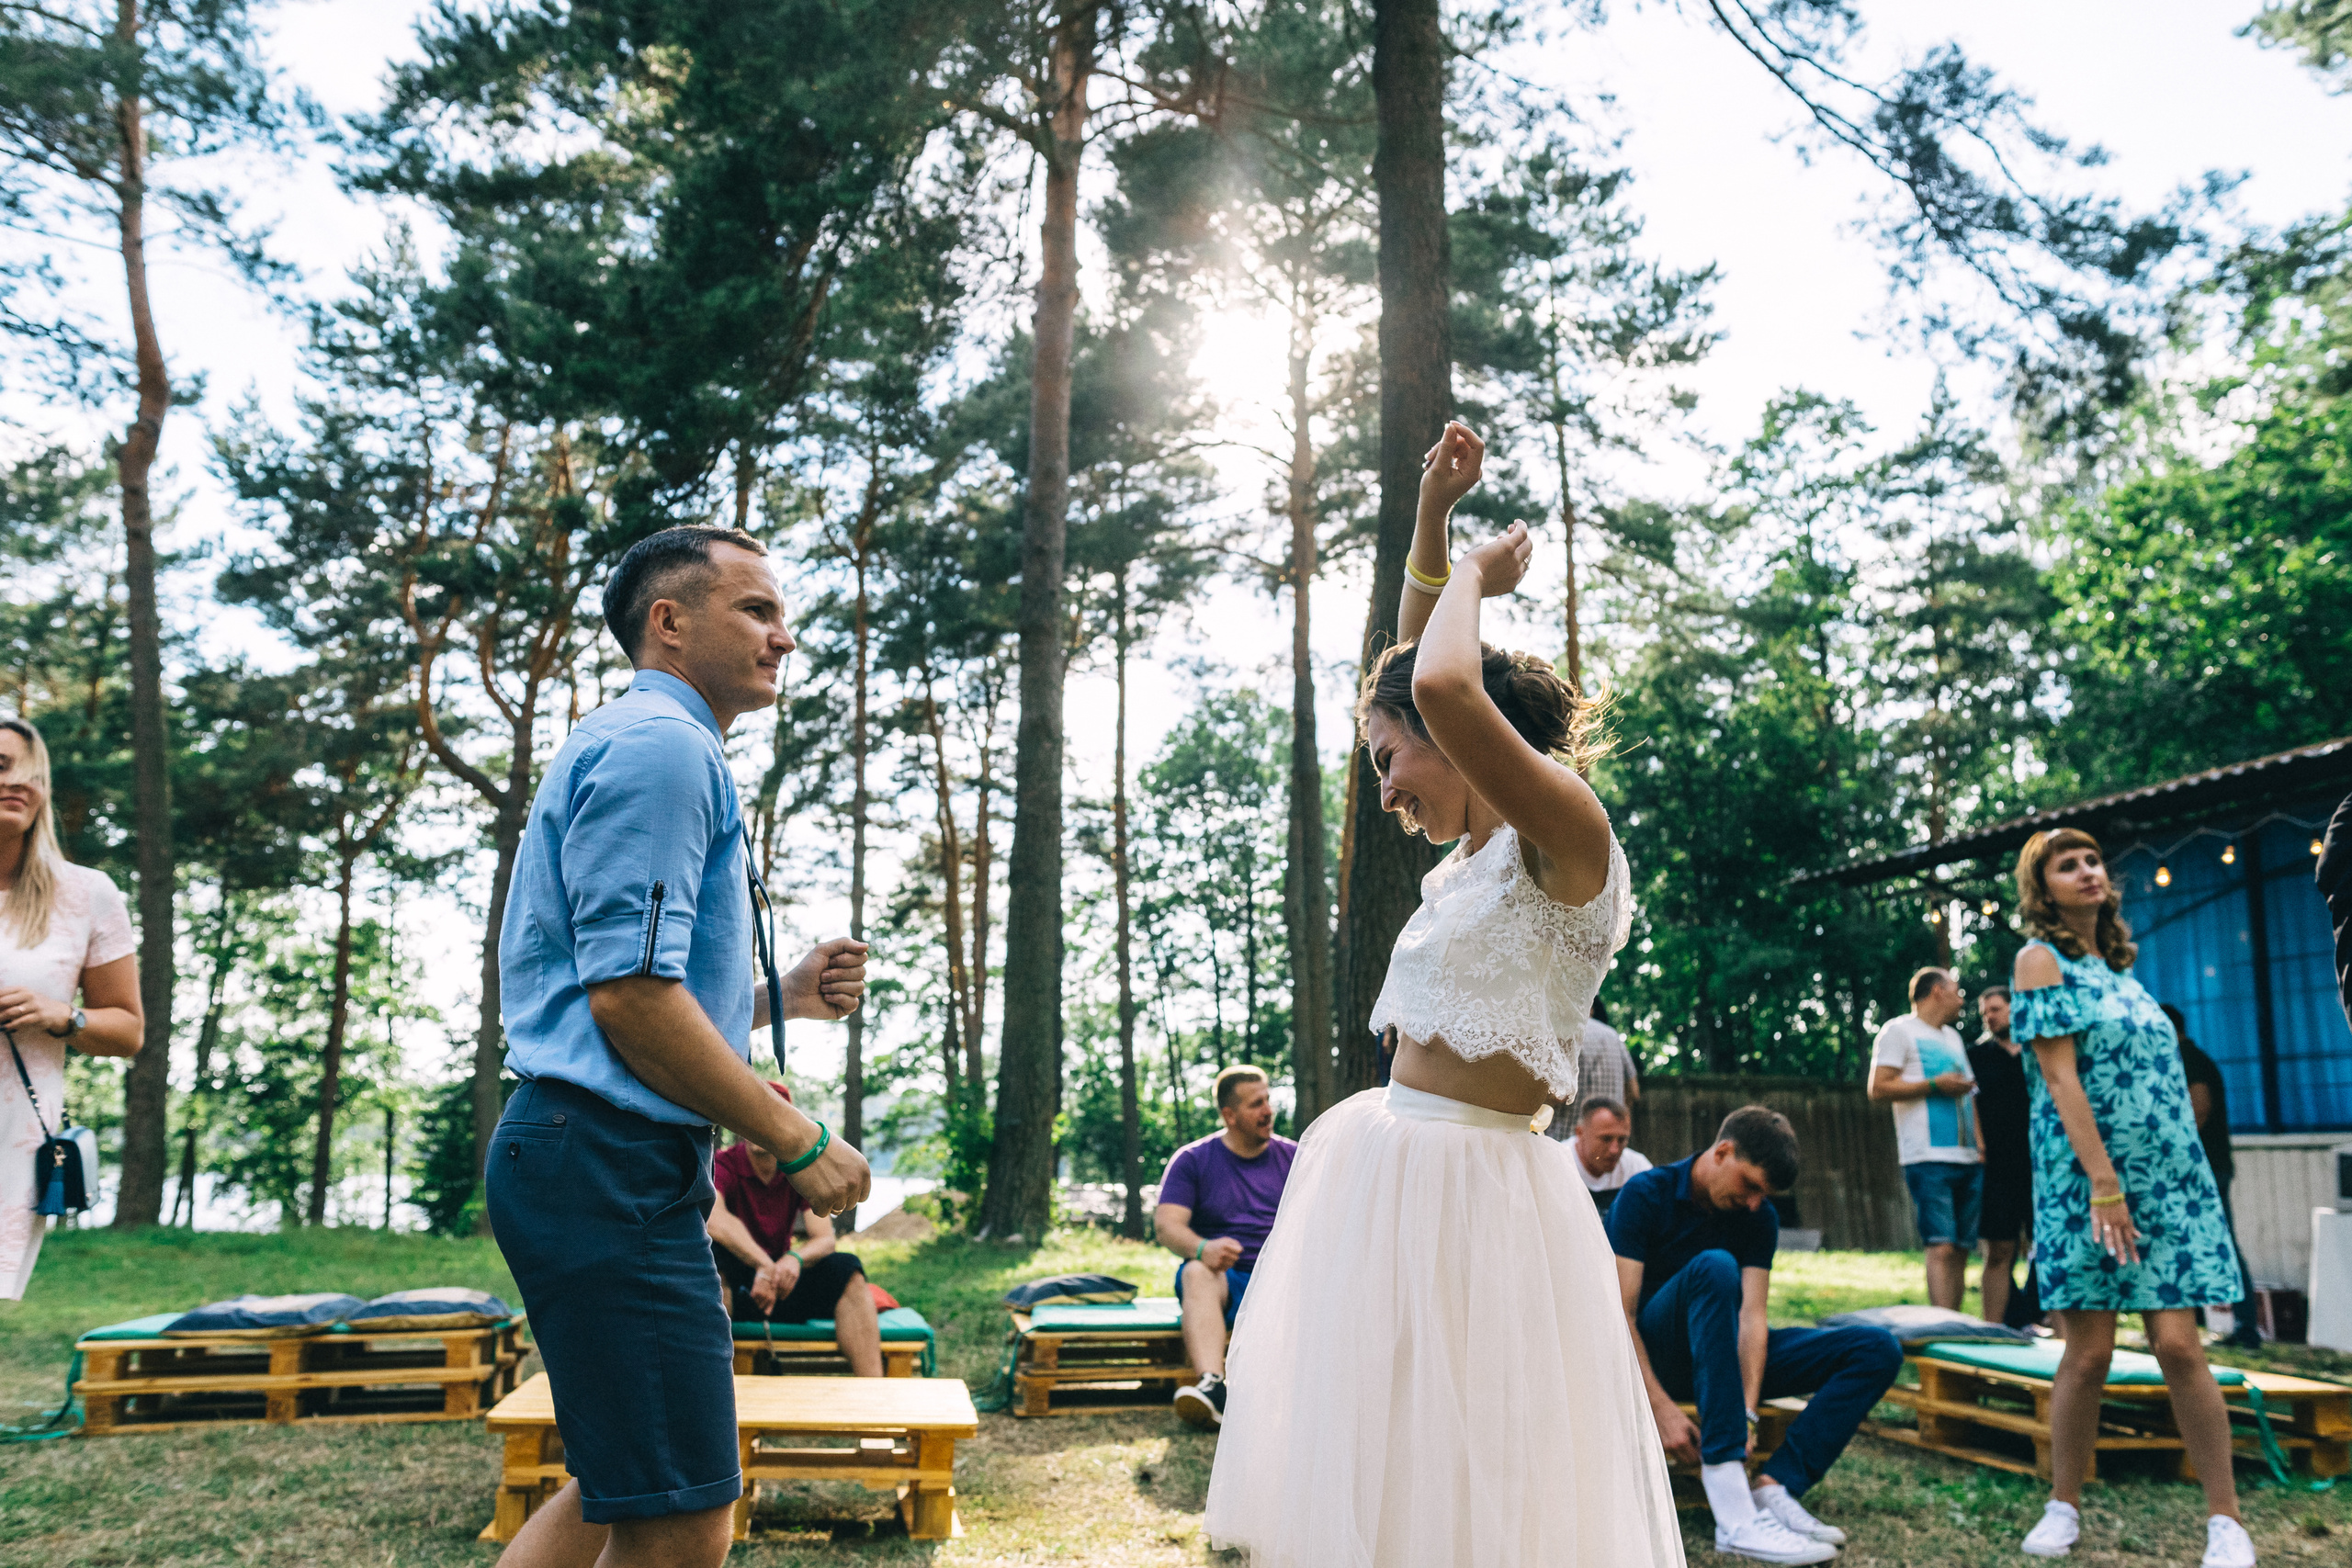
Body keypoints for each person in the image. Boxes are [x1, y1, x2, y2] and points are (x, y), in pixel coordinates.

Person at [1203, 423, 1683, 1567]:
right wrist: (1430, 525)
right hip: (1387, 1170)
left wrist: (1473, 571)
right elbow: (1413, 677)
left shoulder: (1568, 836)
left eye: (1387, 760)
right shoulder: (1465, 858)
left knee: (1483, 1446)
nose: (1382, 788)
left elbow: (1439, 682)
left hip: (1487, 1189)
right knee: (1385, 1433)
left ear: (1465, 746)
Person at [486, 525, 875, 1568]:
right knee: (689, 1513)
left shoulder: (647, 743)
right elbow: (628, 1003)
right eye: (756, 610)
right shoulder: (663, 749)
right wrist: (796, 1139)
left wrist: (774, 996)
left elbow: (620, 993)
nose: (784, 638)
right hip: (603, 1160)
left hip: (598, 1156)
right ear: (668, 621)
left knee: (627, 1486)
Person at [2008, 829, 2254, 1567]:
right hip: (2088, 1184)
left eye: (2092, 861)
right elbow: (2060, 1080)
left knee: (2180, 1345)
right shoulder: (2038, 960)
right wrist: (2105, 1184)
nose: (2087, 872)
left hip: (2168, 1184)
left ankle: (2227, 1521)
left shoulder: (2122, 968)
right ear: (2042, 887)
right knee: (2089, 1353)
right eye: (2067, 865)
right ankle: (2063, 1504)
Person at [1611, 1106, 1904, 1565]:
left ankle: (1775, 1486)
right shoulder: (1646, 1194)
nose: (1754, 1203)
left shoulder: (1757, 1216)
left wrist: (1746, 1411)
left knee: (1875, 1347)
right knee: (1715, 1265)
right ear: (1723, 1152)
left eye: (1763, 1194)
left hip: (1725, 1359)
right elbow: (1618, 1316)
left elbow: (1753, 1317)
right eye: (1750, 1186)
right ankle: (1734, 1514)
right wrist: (1661, 1408)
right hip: (1661, 1358)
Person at [0, 718, 142, 1299]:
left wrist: (65, 1016)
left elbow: (128, 1030)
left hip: (11, 1145)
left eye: (31, 772)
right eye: (0, 767)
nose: (18, 783)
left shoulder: (86, 894)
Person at [1153, 1065, 1296, 1428]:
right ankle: (1213, 1387)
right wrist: (1203, 1248)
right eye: (1255, 1104)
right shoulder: (1193, 1160)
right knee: (1197, 1270)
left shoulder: (1296, 1158)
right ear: (1229, 1115)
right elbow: (1167, 1226)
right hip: (1226, 1283)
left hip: (1285, 1284)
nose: (1268, 1111)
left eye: (1268, 1100)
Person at [708, 1079, 884, 1375]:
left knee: (847, 1269)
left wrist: (794, 1259)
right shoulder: (724, 1163)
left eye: (766, 1116)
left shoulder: (797, 1169)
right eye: (750, 1115)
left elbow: (824, 1238)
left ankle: (876, 1397)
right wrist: (764, 1264)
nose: (757, 1125)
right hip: (738, 1285)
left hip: (780, 1283)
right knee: (714, 1264)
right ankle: (717, 1393)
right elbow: (715, 1220)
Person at [1868, 966, 1981, 1310]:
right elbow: (1877, 1087)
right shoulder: (1898, 1031)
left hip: (1969, 1157)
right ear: (1936, 992)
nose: (1961, 1001)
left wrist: (1981, 1143)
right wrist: (1934, 1085)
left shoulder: (1954, 1038)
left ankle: (1956, 1326)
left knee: (1962, 1247)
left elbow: (1970, 1093)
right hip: (1927, 1157)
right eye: (1956, 992)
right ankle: (1941, 1329)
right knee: (1941, 1246)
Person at [2163, 1003, 2262, 1351]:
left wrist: (2172, 1156)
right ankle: (2224, 1325)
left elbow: (2198, 1108)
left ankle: (2247, 1327)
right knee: (2203, 1245)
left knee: (2222, 1245)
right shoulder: (2188, 1057)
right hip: (2204, 1166)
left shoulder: (2189, 1059)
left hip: (2204, 1168)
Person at [1968, 985, 2032, 1325]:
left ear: (2014, 1008)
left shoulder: (2040, 1051)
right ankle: (1992, 1330)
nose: (1989, 1018)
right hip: (1997, 1168)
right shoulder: (1976, 1057)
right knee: (1999, 1251)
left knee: (2048, 1249)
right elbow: (1970, 1106)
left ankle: (2056, 1327)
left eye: (1995, 1009)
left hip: (2041, 1165)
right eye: (1984, 1013)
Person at [1544, 997, 1640, 1144]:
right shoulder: (1613, 1036)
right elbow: (1633, 1091)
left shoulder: (1564, 1035)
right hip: (1608, 1145)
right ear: (1591, 1009)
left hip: (1568, 1142)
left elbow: (1559, 1095)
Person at [1570, 1095, 1652, 1215]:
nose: (1615, 1150)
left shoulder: (1637, 1167)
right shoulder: (1558, 1163)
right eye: (1606, 1139)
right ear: (1580, 1133)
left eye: (1622, 1139)